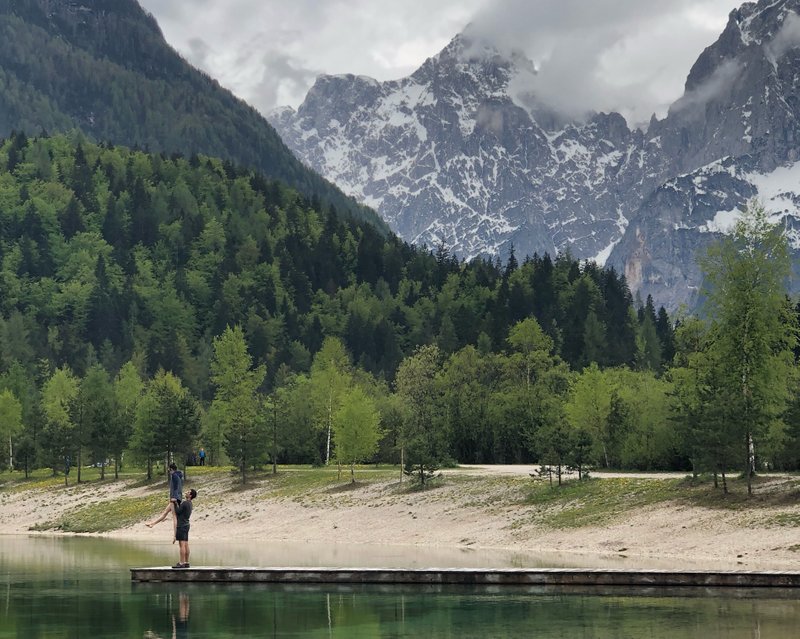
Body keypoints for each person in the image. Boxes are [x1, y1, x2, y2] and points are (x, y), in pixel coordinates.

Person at [146, 463, 184, 537]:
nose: (168, 471)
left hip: (175, 499)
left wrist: (174, 498)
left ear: (171, 469)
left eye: (169, 469)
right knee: (165, 512)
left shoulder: (174, 476)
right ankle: (152, 524)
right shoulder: (178, 476)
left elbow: (176, 488)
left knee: (174, 516)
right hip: (177, 498)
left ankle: (175, 535)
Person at [173, 488, 196, 568]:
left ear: (190, 495)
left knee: (181, 544)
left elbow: (178, 512)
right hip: (186, 525)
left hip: (181, 525)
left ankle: (182, 563)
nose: (186, 492)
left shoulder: (185, 503)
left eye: (188, 492)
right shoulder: (190, 503)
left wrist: (175, 503)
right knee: (186, 544)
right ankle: (186, 562)